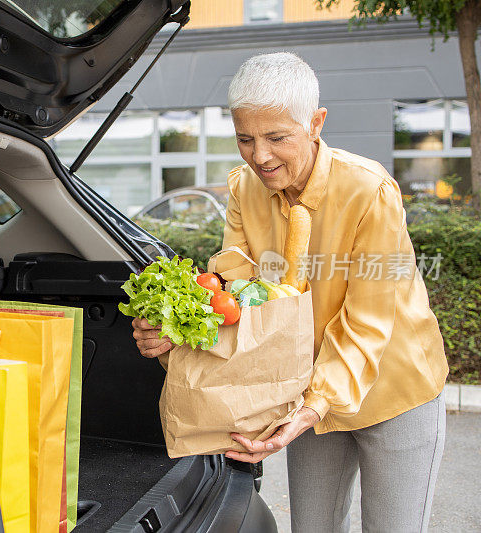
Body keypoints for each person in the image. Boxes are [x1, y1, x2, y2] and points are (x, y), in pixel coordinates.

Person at [132, 52, 448, 533]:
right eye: (245, 138)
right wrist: (179, 328)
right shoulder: (244, 188)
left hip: (395, 388)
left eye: (277, 137)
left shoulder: (370, 192)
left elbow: (366, 322)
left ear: (316, 123)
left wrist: (312, 408)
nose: (260, 156)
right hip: (303, 387)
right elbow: (236, 291)